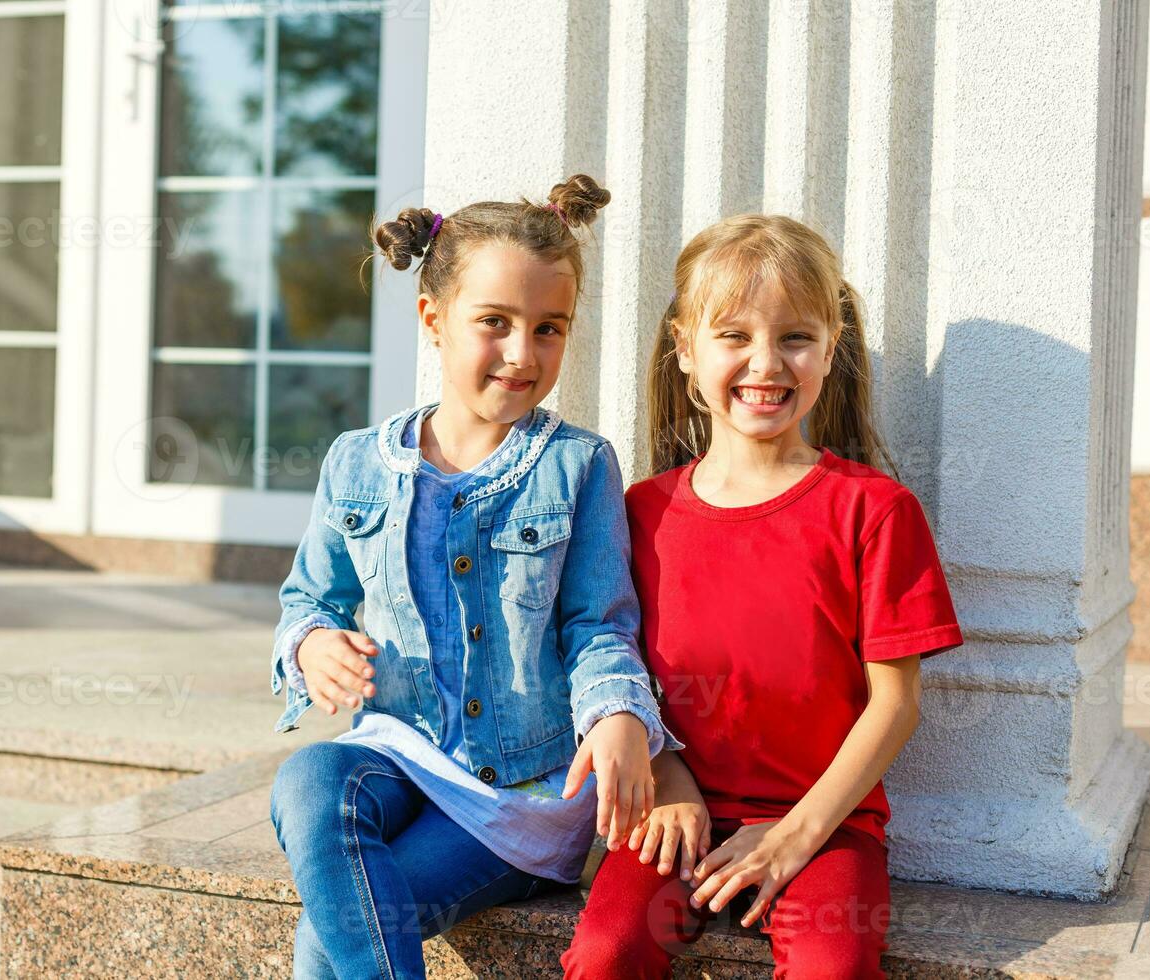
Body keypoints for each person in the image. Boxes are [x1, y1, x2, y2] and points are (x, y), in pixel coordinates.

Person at [268, 175, 681, 979]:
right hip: (397, 754)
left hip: (516, 799)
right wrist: (313, 642)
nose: (523, 354)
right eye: (494, 322)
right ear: (433, 318)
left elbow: (599, 624)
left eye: (549, 328)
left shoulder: (576, 465)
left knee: (336, 929)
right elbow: (308, 599)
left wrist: (618, 713)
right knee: (310, 776)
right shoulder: (355, 461)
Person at [561, 214, 964, 979]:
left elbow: (896, 702)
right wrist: (671, 777)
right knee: (606, 953)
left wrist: (796, 834)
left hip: (829, 825)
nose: (766, 362)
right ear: (684, 348)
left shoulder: (874, 511)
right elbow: (612, 663)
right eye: (734, 336)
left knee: (832, 969)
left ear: (830, 349)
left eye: (795, 338)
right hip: (672, 811)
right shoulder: (637, 512)